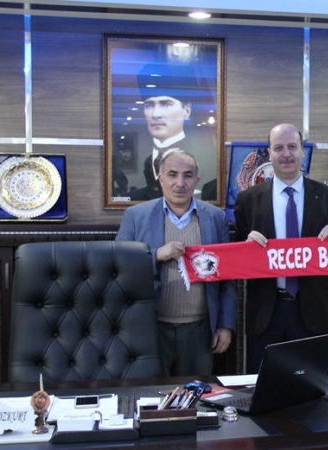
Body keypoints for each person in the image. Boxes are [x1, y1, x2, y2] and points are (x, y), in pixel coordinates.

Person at [234, 123, 328, 374]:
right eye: (279, 148)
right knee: (263, 385)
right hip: (266, 313)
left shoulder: (327, 197)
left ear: (302, 151)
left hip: (313, 312)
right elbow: (235, 258)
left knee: (309, 387)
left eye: (292, 147)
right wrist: (244, 248)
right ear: (269, 153)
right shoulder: (248, 200)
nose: (286, 154)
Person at [117, 149, 237, 376]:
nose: (180, 183)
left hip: (201, 331)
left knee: (197, 394)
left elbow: (227, 277)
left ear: (197, 180)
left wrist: (226, 325)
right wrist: (155, 255)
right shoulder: (136, 216)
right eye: (172, 175)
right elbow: (117, 266)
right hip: (151, 328)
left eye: (187, 175)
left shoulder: (215, 217)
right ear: (160, 179)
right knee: (151, 394)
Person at [126, 63, 212, 201]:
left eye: (166, 104)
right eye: (149, 105)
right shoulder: (148, 161)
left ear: (186, 110)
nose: (155, 114)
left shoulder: (206, 156)